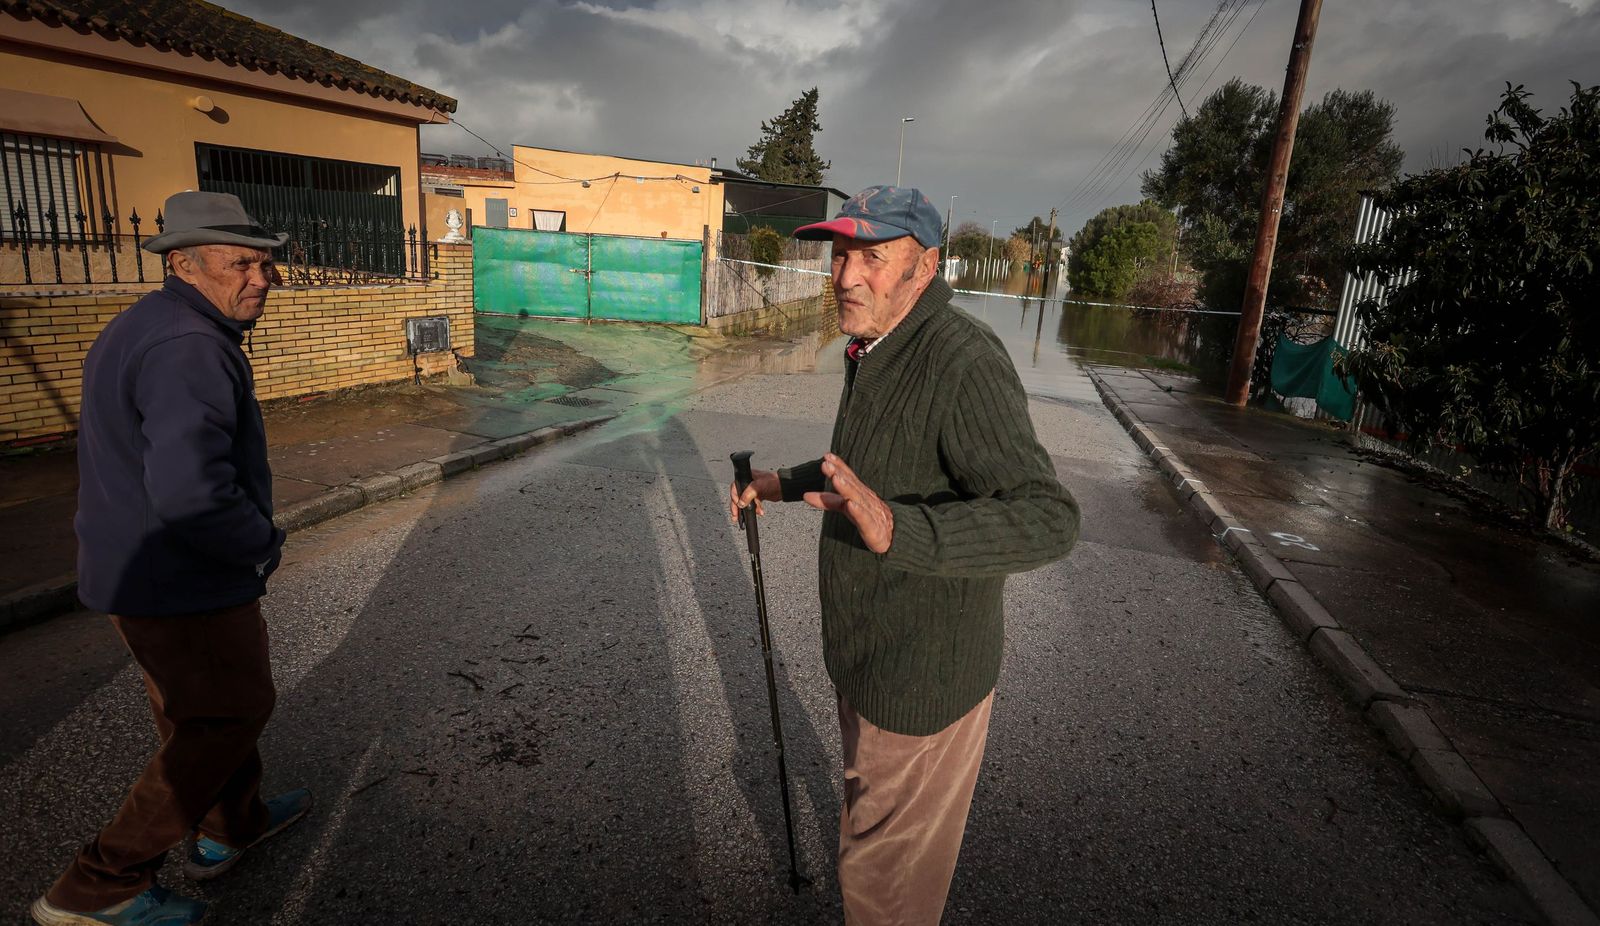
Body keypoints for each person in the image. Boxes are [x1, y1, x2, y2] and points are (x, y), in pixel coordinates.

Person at [728, 186, 1080, 925]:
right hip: (869, 660)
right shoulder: (875, 346)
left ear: (926, 267)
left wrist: (901, 532)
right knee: (874, 831)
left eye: (874, 257)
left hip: (924, 680)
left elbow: (1049, 519)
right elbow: (858, 469)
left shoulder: (960, 360)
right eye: (841, 254)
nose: (846, 276)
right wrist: (778, 485)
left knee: (884, 885)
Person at [32, 192, 311, 926]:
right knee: (226, 714)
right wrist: (261, 544)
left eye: (266, 262)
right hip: (182, 576)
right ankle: (97, 888)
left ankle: (232, 825)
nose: (262, 278)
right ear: (183, 264)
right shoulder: (189, 344)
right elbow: (193, 492)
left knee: (201, 713)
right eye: (242, 263)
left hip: (139, 567)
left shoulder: (155, 322)